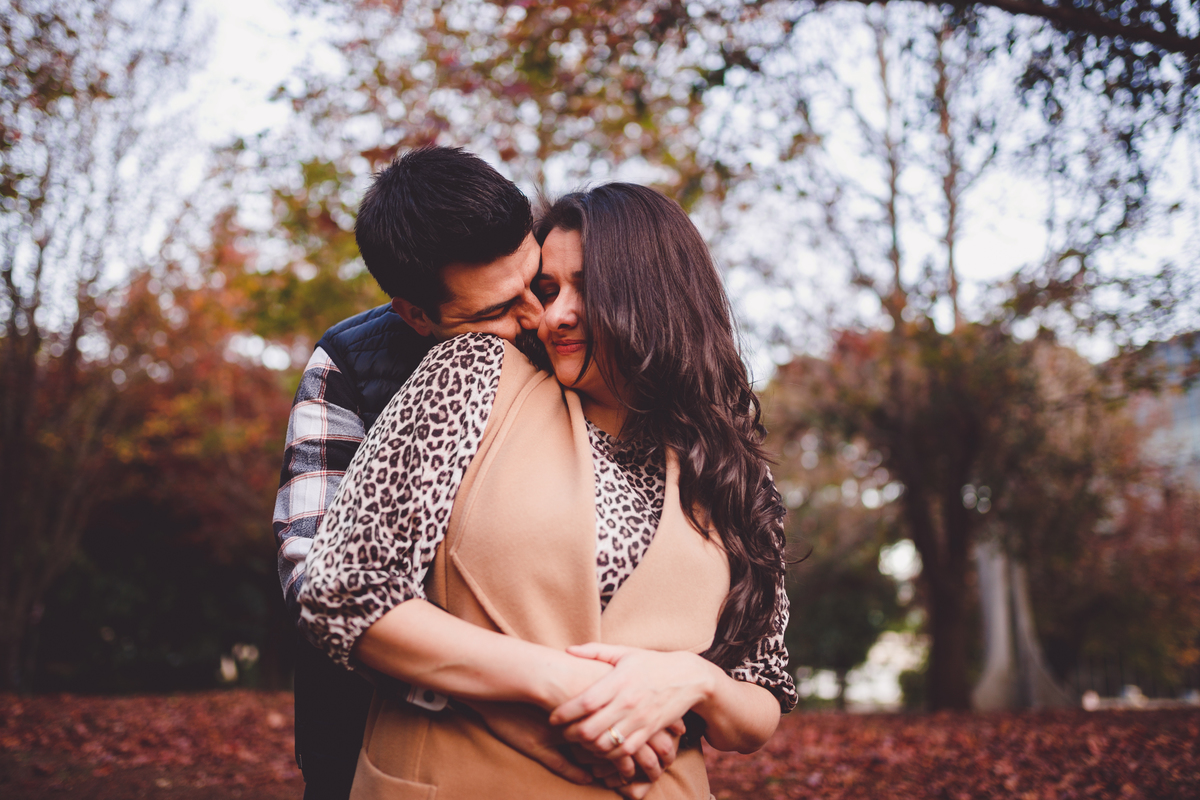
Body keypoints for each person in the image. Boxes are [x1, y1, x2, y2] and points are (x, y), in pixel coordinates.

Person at [299, 182, 797, 799]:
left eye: (588, 287)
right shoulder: (473, 372)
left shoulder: (736, 472)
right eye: (547, 288)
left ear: (659, 297)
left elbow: (761, 697)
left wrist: (696, 681)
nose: (552, 315)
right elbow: (344, 588)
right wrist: (562, 684)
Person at [274, 145, 551, 800]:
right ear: (415, 313)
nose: (536, 319)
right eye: (494, 312)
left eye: (534, 281)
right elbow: (314, 577)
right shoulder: (348, 364)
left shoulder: (574, 330)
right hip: (374, 734)